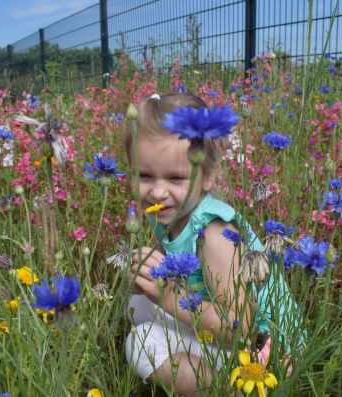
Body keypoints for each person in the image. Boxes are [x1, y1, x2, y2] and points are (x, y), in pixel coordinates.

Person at [124, 92, 297, 396]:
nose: (158, 192)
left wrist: (167, 297)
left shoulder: (215, 235)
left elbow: (241, 329)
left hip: (264, 355)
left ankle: (226, 388)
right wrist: (145, 276)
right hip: (215, 325)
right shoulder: (164, 215)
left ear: (207, 176)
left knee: (139, 345)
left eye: (176, 178)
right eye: (146, 175)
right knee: (136, 306)